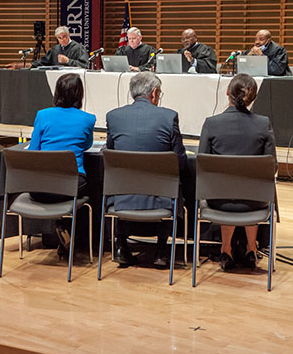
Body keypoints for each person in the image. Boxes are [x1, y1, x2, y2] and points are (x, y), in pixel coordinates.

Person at [105, 71, 187, 268]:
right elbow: (180, 161)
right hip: (161, 196)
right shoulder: (169, 116)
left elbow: (110, 153)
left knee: (125, 181)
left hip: (122, 196)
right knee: (172, 183)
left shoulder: (113, 116)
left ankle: (121, 247)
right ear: (154, 93)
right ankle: (161, 250)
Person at [198, 73, 276, 271]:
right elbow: (271, 166)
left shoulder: (211, 123)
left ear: (227, 93)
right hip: (255, 201)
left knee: (228, 185)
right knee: (250, 186)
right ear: (253, 98)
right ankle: (251, 248)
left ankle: (226, 249)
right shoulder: (263, 124)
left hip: (218, 201)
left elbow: (202, 163)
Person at [27, 73, 96, 255]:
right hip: (71, 185)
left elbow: (33, 150)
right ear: (79, 94)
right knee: (92, 190)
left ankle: (61, 232)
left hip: (40, 188)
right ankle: (77, 237)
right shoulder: (88, 119)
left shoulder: (42, 115)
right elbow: (87, 144)